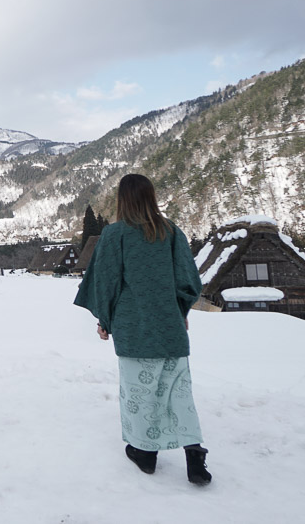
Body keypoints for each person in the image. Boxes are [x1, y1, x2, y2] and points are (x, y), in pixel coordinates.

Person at [73, 174, 212, 485]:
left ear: (123, 199)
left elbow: (105, 282)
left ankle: (145, 454)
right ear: (151, 197)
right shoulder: (171, 232)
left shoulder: (114, 235)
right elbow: (188, 280)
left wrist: (104, 321)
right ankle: (195, 456)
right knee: (179, 393)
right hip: (170, 327)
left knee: (140, 394)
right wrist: (180, 311)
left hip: (134, 327)